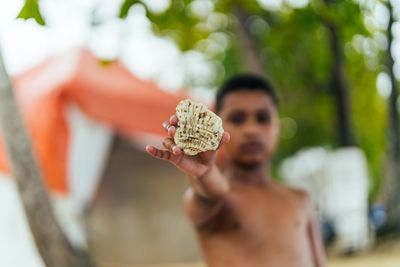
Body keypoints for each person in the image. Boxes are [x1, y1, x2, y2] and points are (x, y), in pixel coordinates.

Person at [146, 74, 325, 267]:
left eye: (262, 118)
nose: (251, 129)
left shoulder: (301, 199)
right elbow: (211, 193)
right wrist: (205, 173)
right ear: (216, 126)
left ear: (278, 127)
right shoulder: (214, 199)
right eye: (237, 119)